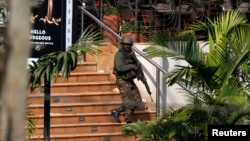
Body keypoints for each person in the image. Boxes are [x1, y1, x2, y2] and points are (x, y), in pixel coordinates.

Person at [110, 36, 146, 124]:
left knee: (137, 100)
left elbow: (137, 66)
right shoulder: (119, 55)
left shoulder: (131, 54)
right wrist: (132, 66)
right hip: (122, 80)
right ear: (122, 45)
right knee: (129, 101)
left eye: (129, 45)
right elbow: (119, 68)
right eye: (125, 45)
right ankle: (129, 121)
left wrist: (142, 77)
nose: (127, 46)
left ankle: (117, 111)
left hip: (129, 80)